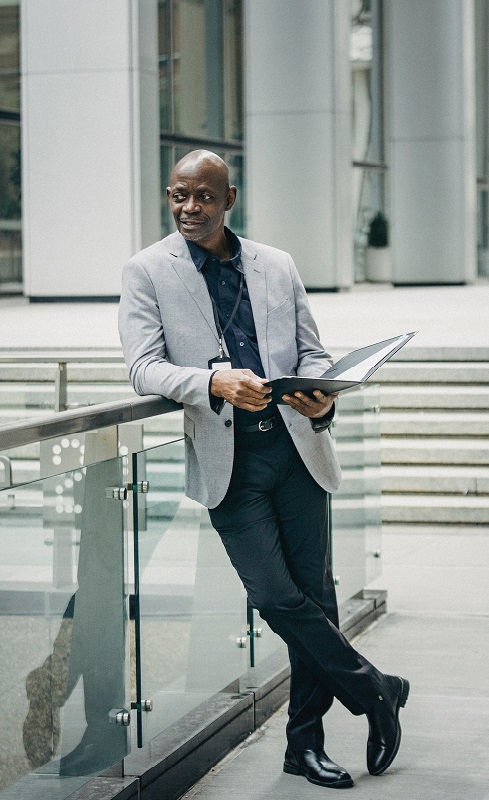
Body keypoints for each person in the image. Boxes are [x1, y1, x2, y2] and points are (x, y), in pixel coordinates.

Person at [118, 150, 409, 789]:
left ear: (229, 199)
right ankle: (375, 689)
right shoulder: (147, 271)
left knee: (318, 600)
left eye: (203, 198)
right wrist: (212, 380)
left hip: (298, 451)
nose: (189, 209)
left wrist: (323, 394)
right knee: (276, 597)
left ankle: (303, 746)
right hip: (231, 464)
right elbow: (142, 367)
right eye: (178, 196)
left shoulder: (275, 265)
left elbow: (311, 350)